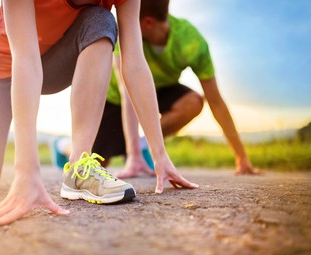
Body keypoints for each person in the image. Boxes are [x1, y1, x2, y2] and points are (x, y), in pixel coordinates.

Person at [0, 0, 198, 227]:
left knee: (101, 20)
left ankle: (79, 167)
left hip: (54, 63)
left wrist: (159, 154)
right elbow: (25, 59)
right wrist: (27, 173)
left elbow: (134, 65)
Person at [87, 0, 261, 178]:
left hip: (161, 89)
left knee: (193, 102)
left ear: (147, 22)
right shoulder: (124, 37)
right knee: (97, 161)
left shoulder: (191, 41)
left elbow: (216, 102)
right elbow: (128, 94)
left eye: (131, 17)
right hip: (117, 98)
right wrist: (134, 157)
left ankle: (143, 145)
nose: (126, 22)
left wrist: (242, 157)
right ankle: (63, 145)